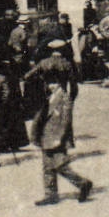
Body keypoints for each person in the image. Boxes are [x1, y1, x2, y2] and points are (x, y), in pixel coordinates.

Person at [33, 63, 93, 205]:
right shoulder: (49, 97)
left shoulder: (64, 98)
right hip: (46, 136)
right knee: (47, 167)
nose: (51, 86)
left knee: (60, 166)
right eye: (49, 84)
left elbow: (66, 121)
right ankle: (50, 194)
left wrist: (59, 138)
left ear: (60, 83)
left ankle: (83, 183)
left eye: (54, 83)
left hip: (57, 137)